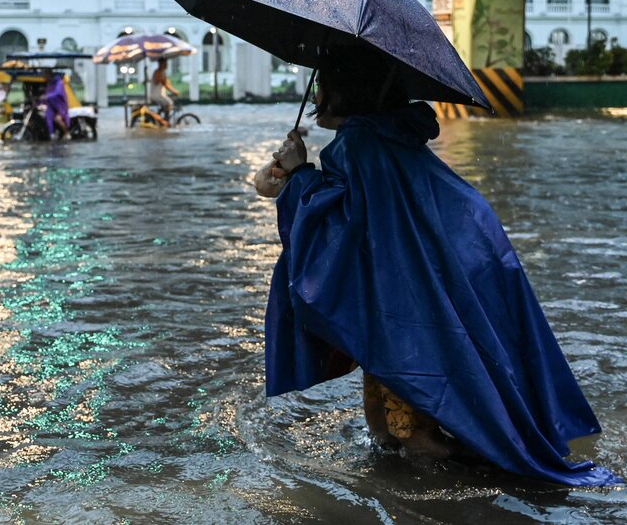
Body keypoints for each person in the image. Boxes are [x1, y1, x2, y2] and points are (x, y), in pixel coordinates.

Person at [253, 47, 621, 486]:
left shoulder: (360, 144)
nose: (316, 93)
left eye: (322, 83)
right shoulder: (387, 135)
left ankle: (461, 485)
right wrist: (296, 176)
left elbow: (338, 227)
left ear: (343, 89)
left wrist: (296, 177)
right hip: (444, 277)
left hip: (406, 302)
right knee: (393, 424)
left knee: (409, 436)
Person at [41, 69, 70, 139]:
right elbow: (47, 93)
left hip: (60, 105)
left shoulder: (59, 82)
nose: (44, 77)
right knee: (47, 117)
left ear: (49, 74)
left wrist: (46, 97)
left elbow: (57, 93)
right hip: (51, 105)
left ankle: (67, 133)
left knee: (57, 119)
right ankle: (51, 134)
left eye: (45, 75)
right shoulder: (49, 83)